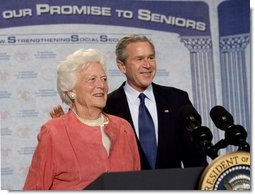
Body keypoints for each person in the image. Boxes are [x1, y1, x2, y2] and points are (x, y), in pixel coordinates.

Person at [50, 34, 208, 170]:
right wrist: (68, 133)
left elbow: (195, 158)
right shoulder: (105, 105)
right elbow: (88, 160)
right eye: (139, 59)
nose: (147, 65)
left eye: (151, 58)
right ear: (122, 66)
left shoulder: (177, 99)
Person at [23, 49, 140, 190]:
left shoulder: (124, 128)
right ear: (71, 90)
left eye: (104, 79)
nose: (101, 86)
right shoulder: (53, 133)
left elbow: (136, 186)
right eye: (92, 79)